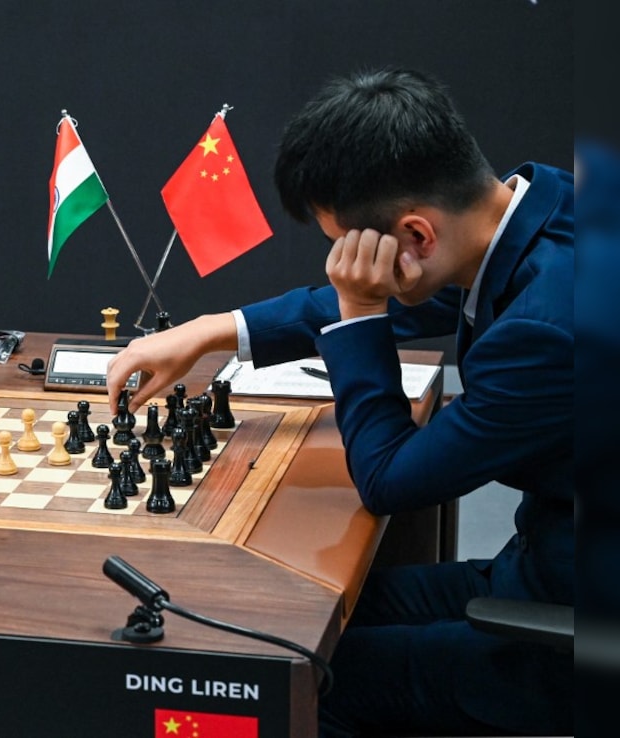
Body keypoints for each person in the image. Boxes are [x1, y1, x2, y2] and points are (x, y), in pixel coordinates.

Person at [107, 68, 572, 736]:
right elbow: (418, 295)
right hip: (541, 565)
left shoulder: (545, 330)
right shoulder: (544, 211)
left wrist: (360, 306)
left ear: (416, 237)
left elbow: (388, 480)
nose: (346, 268)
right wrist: (214, 329)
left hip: (567, 629)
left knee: (293, 678)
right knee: (278, 615)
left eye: (348, 252)